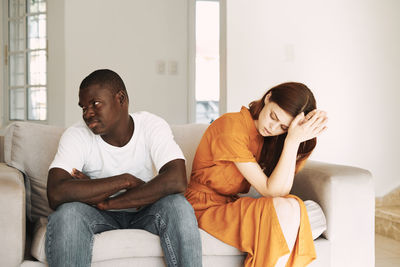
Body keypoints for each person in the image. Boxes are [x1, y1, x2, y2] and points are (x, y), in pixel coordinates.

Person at [45, 69, 202, 267]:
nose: (88, 113)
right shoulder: (76, 135)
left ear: (121, 99)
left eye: (95, 104)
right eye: (83, 107)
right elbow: (56, 193)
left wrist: (107, 201)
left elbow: (176, 179)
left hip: (145, 211)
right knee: (68, 214)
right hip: (97, 215)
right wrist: (125, 180)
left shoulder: (151, 125)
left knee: (178, 205)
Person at [185, 82, 328, 267]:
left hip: (231, 205)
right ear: (268, 97)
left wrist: (295, 139)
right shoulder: (232, 126)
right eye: (273, 116)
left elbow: (282, 192)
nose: (273, 127)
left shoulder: (269, 140)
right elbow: (272, 191)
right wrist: (291, 141)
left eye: (283, 127)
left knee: (296, 207)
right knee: (290, 212)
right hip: (201, 209)